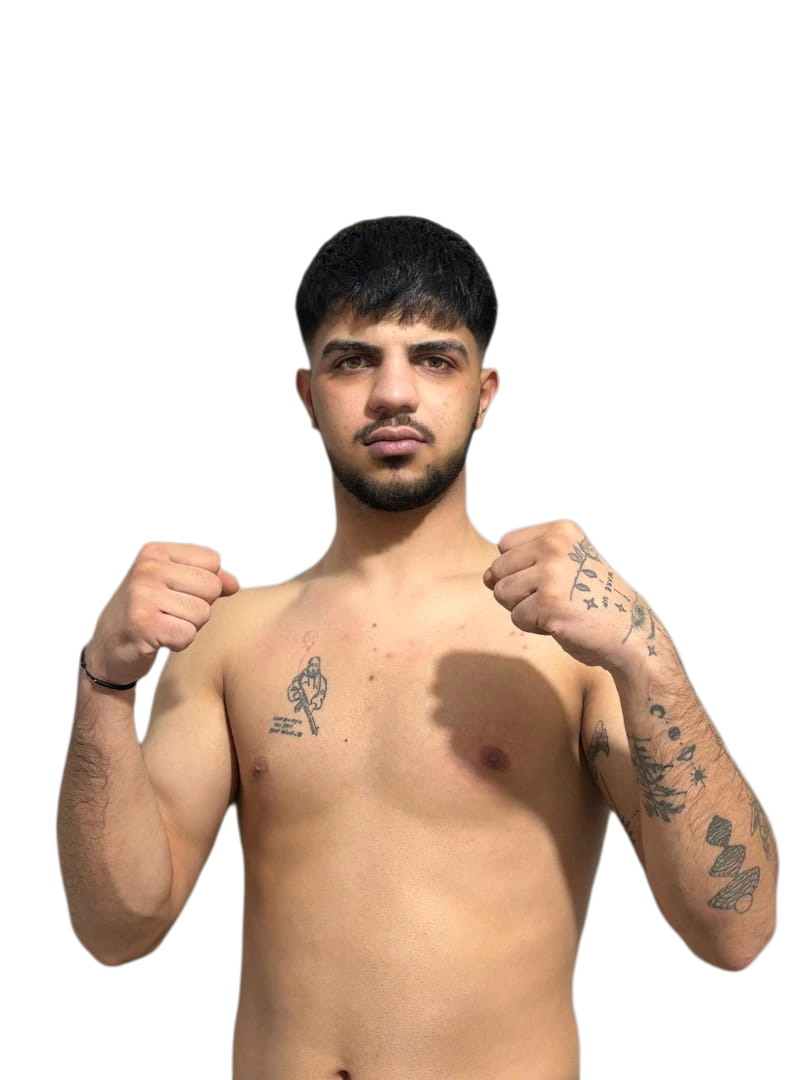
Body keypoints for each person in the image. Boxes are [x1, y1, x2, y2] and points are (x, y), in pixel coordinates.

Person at [56, 216, 780, 1080]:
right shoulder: (228, 637)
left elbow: (734, 932)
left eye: (434, 359)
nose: (392, 394)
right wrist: (102, 684)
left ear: (485, 392)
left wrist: (647, 654)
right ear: (306, 396)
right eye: (353, 359)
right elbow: (116, 931)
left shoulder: (570, 641)